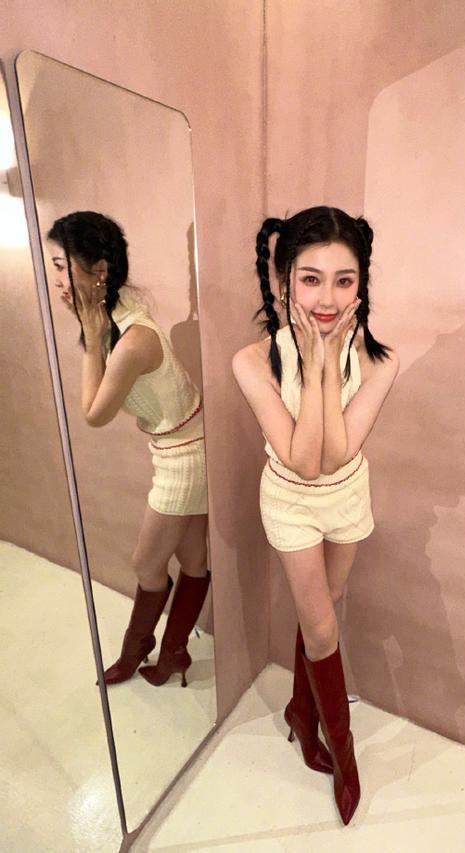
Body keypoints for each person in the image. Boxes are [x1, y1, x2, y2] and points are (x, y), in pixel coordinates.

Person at [232, 206, 399, 825]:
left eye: (344, 280)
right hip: (291, 499)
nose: (327, 298)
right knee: (324, 630)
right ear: (283, 281)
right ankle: (344, 756)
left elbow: (336, 456)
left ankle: (303, 713)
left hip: (347, 493)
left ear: (361, 285)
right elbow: (305, 464)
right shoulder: (252, 362)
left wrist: (327, 364)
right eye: (310, 279)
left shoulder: (382, 362)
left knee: (326, 605)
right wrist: (313, 363)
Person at [47, 211, 210, 688]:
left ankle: (135, 650)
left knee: (145, 564)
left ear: (99, 271)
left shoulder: (132, 339)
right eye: (54, 267)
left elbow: (94, 414)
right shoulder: (120, 308)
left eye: (62, 267)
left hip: (185, 457)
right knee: (194, 559)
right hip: (184, 445)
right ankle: (175, 653)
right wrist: (94, 324)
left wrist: (91, 341)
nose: (57, 281)